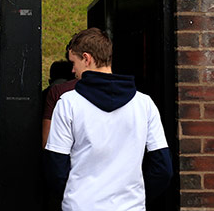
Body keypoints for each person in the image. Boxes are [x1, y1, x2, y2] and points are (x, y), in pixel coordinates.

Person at [44, 28, 172, 211]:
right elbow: (163, 169)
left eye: (74, 62)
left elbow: (55, 168)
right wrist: (136, 198)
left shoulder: (67, 103)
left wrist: (76, 195)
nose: (72, 70)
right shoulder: (145, 104)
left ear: (87, 58)